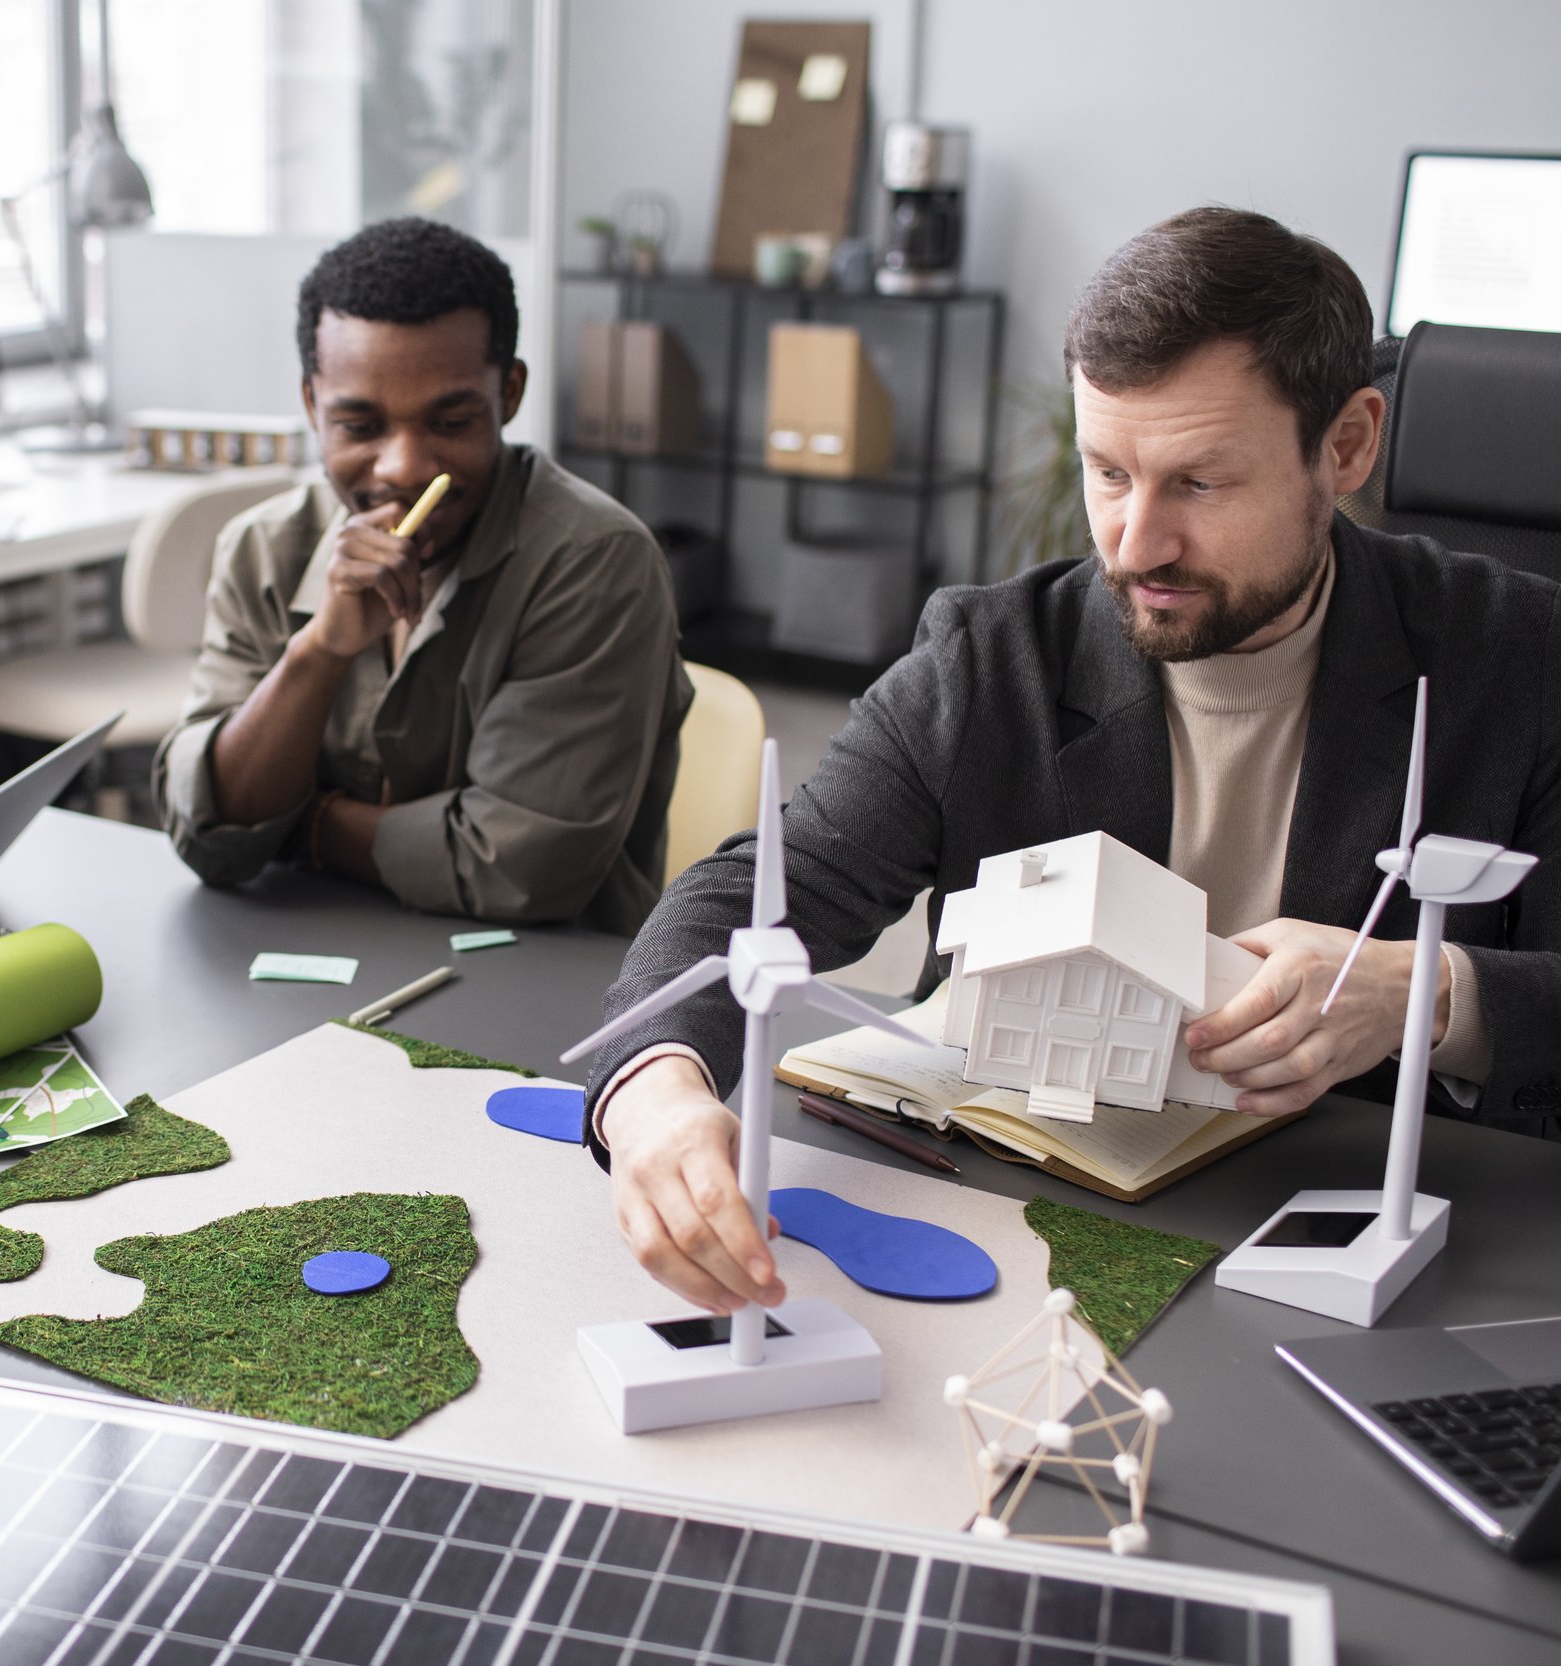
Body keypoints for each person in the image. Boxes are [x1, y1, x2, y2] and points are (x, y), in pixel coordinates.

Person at [587, 207, 1561, 1317]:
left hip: (1363, 1256)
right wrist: (655, 1090)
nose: (1135, 543)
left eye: (1199, 484)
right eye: (1107, 471)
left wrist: (1427, 992)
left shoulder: (1520, 657)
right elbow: (760, 891)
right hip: (1013, 1226)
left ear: (1344, 446)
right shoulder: (988, 657)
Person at [153, 218, 694, 935]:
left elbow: (515, 869)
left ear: (509, 393)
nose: (404, 467)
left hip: (540, 981)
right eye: (360, 426)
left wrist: (304, 825)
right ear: (313, 405)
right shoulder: (262, 548)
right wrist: (319, 651)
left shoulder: (593, 562)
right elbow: (210, 833)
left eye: (452, 420)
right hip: (309, 954)